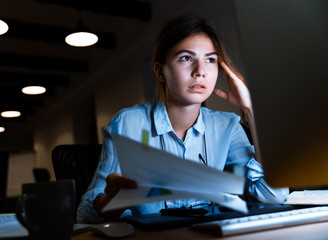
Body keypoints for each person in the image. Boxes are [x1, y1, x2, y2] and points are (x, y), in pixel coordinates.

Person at [77, 15, 289, 223]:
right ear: (160, 71)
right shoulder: (127, 124)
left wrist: (250, 109)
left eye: (210, 60)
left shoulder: (228, 126)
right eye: (186, 58)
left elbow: (273, 196)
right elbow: (85, 213)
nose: (200, 72)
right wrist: (111, 201)